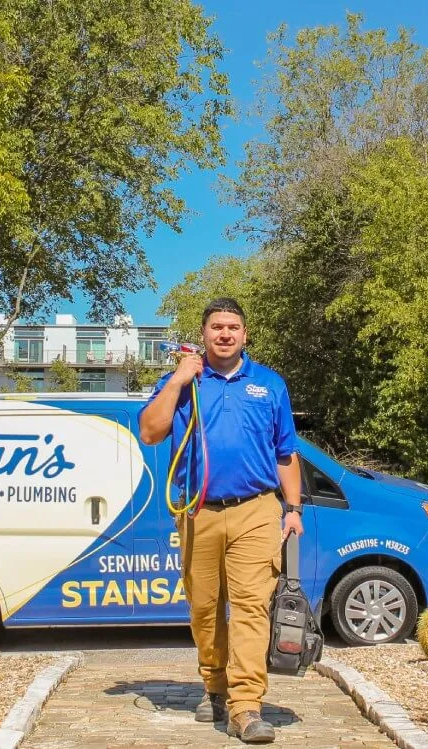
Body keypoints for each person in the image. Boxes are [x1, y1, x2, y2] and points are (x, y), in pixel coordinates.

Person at [140, 297, 303, 744]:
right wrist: (177, 379)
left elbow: (286, 452)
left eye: (233, 327)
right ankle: (214, 684)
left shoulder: (268, 384)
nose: (225, 334)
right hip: (198, 511)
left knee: (251, 608)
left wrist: (293, 510)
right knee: (205, 608)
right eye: (216, 327)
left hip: (256, 510)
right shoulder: (184, 383)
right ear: (204, 334)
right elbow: (150, 431)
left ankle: (246, 706)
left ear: (245, 335)